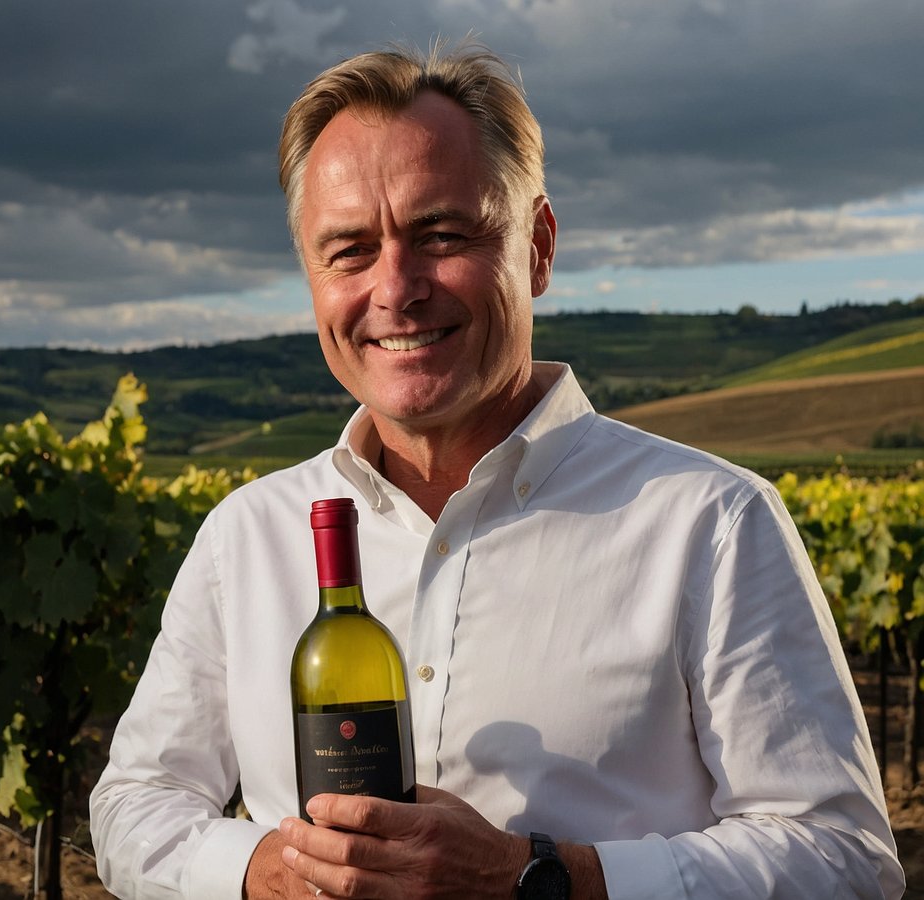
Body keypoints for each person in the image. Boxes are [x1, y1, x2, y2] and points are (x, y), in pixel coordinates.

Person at [90, 42, 904, 899]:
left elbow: (842, 858)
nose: (396, 289)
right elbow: (135, 803)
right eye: (350, 251)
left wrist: (541, 879)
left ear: (539, 248)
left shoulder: (714, 523)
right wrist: (266, 871)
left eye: (440, 235)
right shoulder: (246, 536)